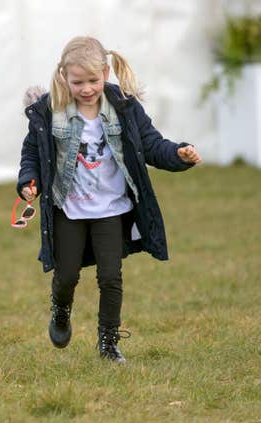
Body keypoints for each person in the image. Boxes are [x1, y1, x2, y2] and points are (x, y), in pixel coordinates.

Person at [16, 36, 201, 363]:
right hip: (69, 208)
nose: (86, 88)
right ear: (63, 77)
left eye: (93, 80)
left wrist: (178, 154)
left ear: (106, 72)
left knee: (111, 276)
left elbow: (152, 145)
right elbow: (33, 152)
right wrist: (29, 183)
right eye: (77, 82)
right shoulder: (50, 111)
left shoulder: (125, 108)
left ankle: (109, 343)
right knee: (67, 274)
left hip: (111, 209)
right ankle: (61, 311)